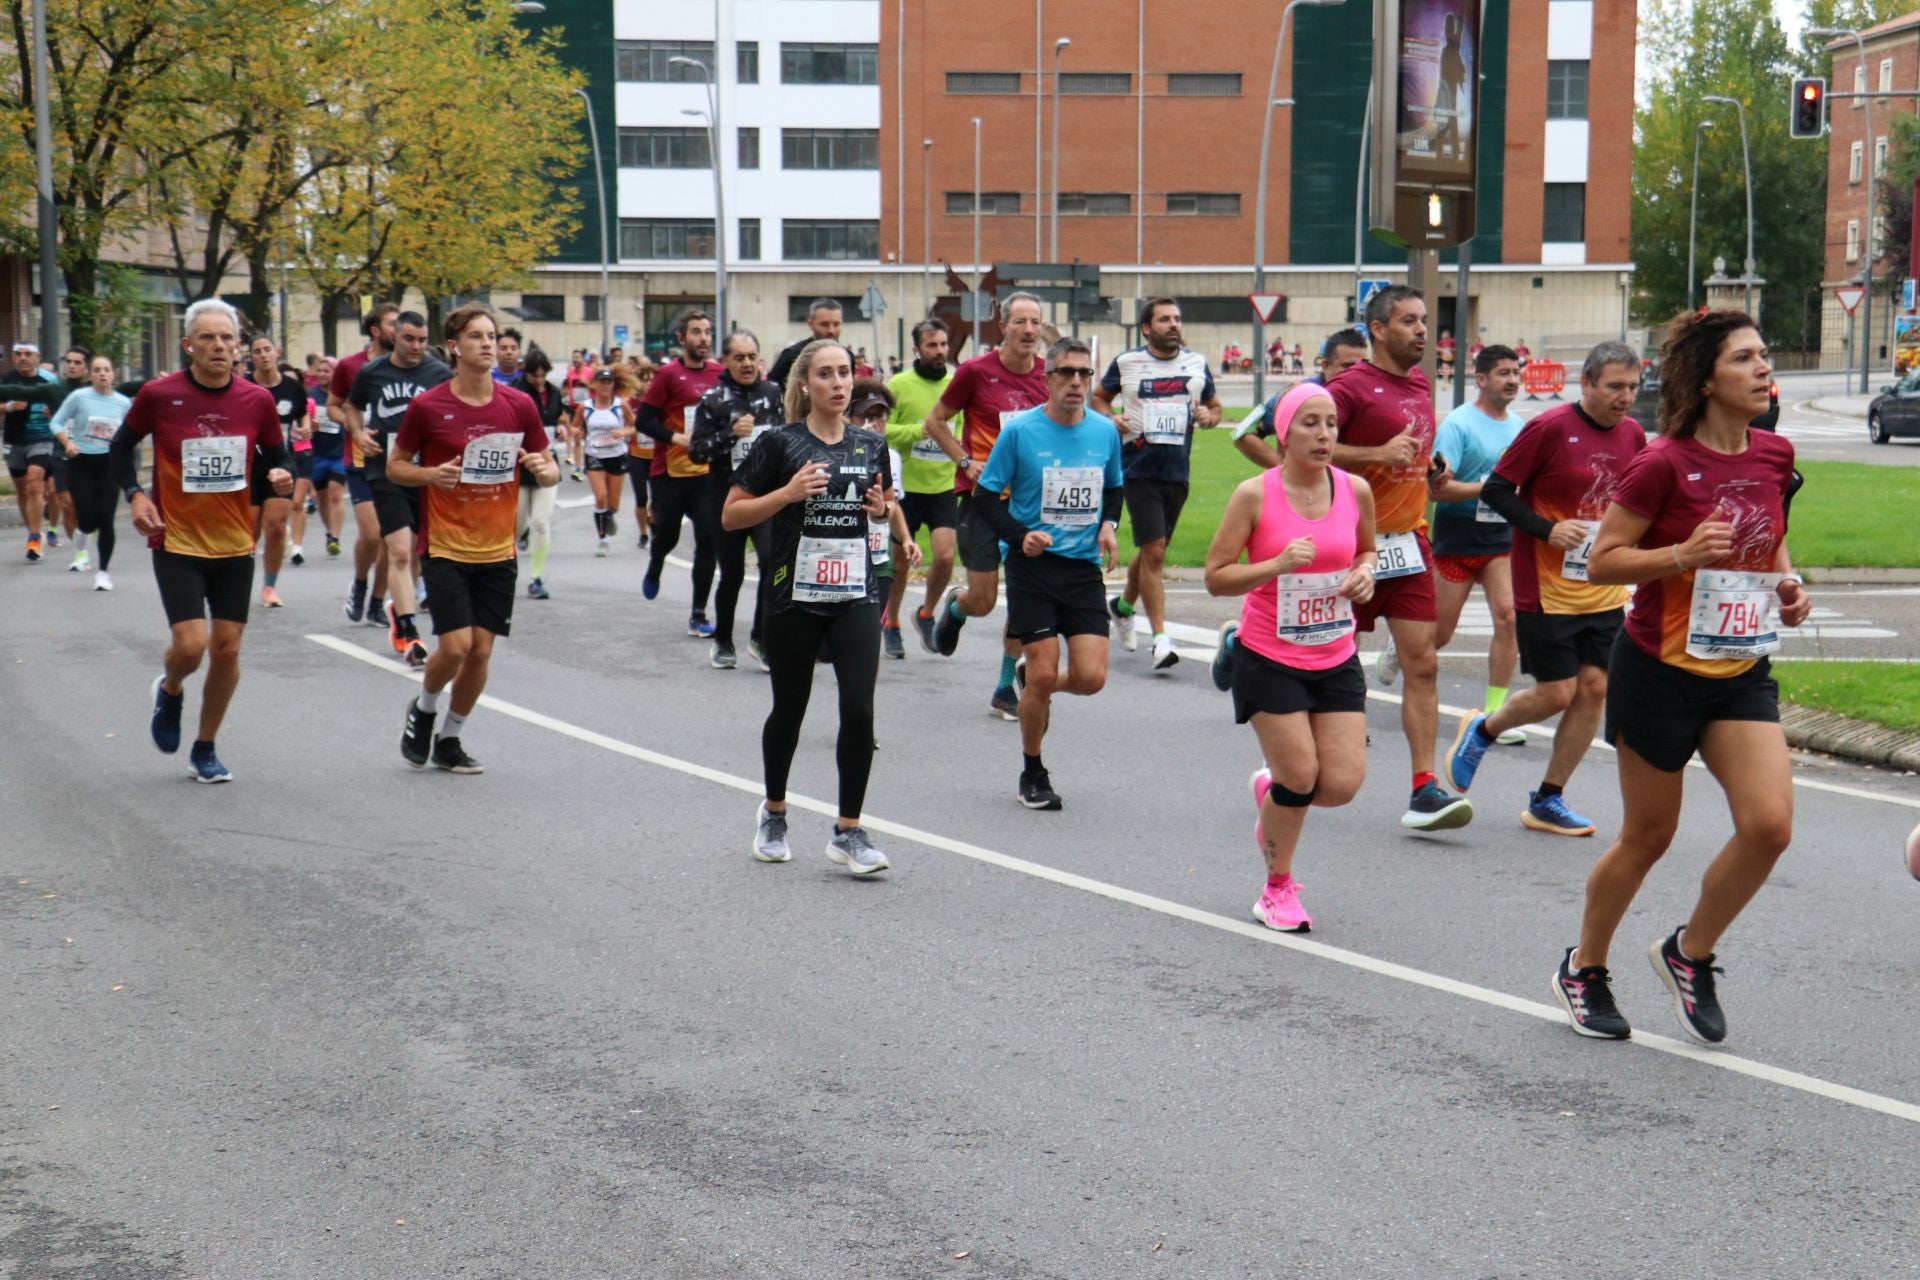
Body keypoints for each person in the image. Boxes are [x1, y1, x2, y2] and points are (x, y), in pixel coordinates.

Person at [1550, 310, 1807, 1044]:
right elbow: (1604, 560)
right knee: (1649, 836)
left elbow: (1771, 541)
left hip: (1739, 668)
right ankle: (1585, 967)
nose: (1763, 368)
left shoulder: (1775, 453)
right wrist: (1681, 555)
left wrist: (1788, 589)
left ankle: (1689, 952)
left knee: (1769, 826)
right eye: (1745, 358)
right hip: (1658, 670)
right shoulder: (1661, 463)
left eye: (1764, 355)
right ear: (1705, 379)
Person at [1444, 341, 1650, 836]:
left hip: (1603, 585)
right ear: (1587, 385)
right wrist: (1546, 530)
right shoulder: (1549, 428)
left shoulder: (1635, 435)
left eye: (1632, 387)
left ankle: (1548, 799)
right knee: (1558, 692)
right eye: (1614, 387)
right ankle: (1483, 728)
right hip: (1546, 585)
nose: (1625, 397)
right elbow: (1497, 490)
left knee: (1595, 687)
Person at [1205, 383, 1378, 931]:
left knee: (1341, 785)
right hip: (1267, 654)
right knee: (1300, 779)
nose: (1324, 434)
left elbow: (1369, 548)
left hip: (1335, 651)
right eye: (1309, 423)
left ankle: (1272, 790)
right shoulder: (1254, 495)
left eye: (1330, 423)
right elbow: (1215, 576)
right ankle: (1276, 889)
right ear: (1283, 433)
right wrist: (1276, 566)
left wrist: (1366, 573)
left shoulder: (1355, 489)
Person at [724, 338, 894, 875]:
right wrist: (787, 495)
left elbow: (883, 510)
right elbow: (732, 516)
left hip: (856, 592)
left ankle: (849, 830)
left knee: (860, 711)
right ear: (805, 384)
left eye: (845, 373)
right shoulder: (780, 444)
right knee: (790, 709)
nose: (839, 383)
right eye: (826, 374)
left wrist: (881, 511)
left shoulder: (871, 445)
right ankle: (773, 812)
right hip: (793, 592)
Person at [111, 299, 292, 782]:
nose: (218, 346)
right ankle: (170, 688)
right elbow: (119, 448)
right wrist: (134, 496)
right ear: (188, 345)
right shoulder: (158, 395)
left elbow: (282, 457)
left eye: (226, 338)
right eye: (207, 338)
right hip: (178, 540)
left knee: (228, 649)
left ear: (238, 347)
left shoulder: (257, 400)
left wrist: (281, 474)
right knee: (191, 646)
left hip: (235, 544)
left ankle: (206, 747)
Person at [1328, 285, 1472, 831]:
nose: (1422, 331)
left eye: (1424, 320)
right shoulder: (1348, 387)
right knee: (1328, 663)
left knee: (1425, 663)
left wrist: (1430, 469)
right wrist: (1375, 454)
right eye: (1409, 321)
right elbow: (1301, 447)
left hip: (1409, 543)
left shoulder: (1418, 384)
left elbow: (1407, 453)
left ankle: (1423, 789)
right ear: (1378, 329)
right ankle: (1246, 652)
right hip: (1349, 546)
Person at [394, 303, 557, 775]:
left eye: (492, 336)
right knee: (458, 646)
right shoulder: (428, 406)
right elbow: (395, 466)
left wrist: (541, 469)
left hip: (498, 546)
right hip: (445, 544)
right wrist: (431, 475)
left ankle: (450, 737)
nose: (488, 344)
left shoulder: (519, 405)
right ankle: (424, 709)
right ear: (454, 346)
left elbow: (548, 471)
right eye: (477, 337)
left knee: (482, 650)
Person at [963, 337, 1124, 809]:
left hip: (1082, 570)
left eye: (1084, 374)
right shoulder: (1020, 432)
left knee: (1092, 677)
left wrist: (1109, 526)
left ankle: (1033, 679)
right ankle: (1033, 770)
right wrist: (1020, 535)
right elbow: (985, 497)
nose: (1076, 382)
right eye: (1066, 373)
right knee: (1043, 670)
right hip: (1031, 567)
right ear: (1047, 379)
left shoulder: (1104, 432)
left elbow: (1114, 489)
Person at [925, 292, 1049, 720]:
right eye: (1021, 322)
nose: (1029, 330)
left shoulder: (1049, 375)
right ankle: (957, 607)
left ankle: (1002, 687)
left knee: (1023, 598)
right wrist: (965, 461)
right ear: (1003, 326)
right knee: (983, 599)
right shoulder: (976, 372)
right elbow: (934, 422)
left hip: (1029, 503)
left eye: (1035, 322)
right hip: (981, 499)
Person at [1093, 297, 1224, 671]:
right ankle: (1162, 639)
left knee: (1155, 549)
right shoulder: (1127, 363)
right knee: (1153, 552)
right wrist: (1111, 418)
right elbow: (1100, 398)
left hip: (1177, 471)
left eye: (1177, 319)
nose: (1173, 325)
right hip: (1137, 468)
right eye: (1164, 319)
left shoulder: (1196, 365)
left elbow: (1214, 408)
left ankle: (1121, 607)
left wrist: (1208, 416)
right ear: (1147, 328)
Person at [1425, 344, 1526, 747]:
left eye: (1516, 373)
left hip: (1500, 539)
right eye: (1503, 373)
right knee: (1440, 634)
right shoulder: (1457, 425)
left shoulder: (1520, 426)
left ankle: (1495, 715)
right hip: (1458, 537)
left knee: (1509, 617)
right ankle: (1405, 652)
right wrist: (1488, 489)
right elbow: (1437, 490)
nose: (1513, 380)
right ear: (1481, 379)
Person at [348, 311, 452, 666]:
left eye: (422, 340)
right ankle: (409, 632)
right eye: (409, 339)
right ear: (394, 336)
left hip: (426, 473)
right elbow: (351, 407)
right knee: (400, 551)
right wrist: (359, 434)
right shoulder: (372, 373)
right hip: (386, 471)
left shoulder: (439, 373)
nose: (416, 347)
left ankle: (398, 605)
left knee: (421, 553)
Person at [688, 329, 783, 669]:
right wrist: (730, 434)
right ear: (725, 360)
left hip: (765, 497)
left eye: (751, 356)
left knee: (773, 564)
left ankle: (761, 637)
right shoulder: (713, 399)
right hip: (726, 498)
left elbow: (784, 439)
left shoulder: (773, 393)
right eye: (739, 357)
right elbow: (697, 452)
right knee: (732, 574)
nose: (747, 363)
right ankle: (723, 639)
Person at [636, 310, 724, 636]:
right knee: (668, 535)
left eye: (706, 331)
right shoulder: (668, 375)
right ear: (681, 339)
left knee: (708, 540)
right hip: (670, 473)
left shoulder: (719, 373)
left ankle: (698, 614)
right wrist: (676, 437)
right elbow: (643, 421)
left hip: (705, 473)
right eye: (696, 332)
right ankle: (656, 561)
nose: (703, 338)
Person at [881, 319, 958, 655]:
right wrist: (921, 431)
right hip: (906, 489)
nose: (940, 351)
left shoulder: (957, 382)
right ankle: (891, 621)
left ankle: (926, 613)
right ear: (916, 349)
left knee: (945, 556)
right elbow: (882, 431)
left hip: (943, 484)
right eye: (932, 345)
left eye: (943, 344)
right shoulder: (899, 383)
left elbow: (963, 428)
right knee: (899, 562)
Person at [330, 303, 399, 627]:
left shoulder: (404, 367)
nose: (398, 331)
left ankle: (376, 602)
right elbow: (333, 406)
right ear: (375, 330)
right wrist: (355, 428)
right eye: (392, 324)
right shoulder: (349, 366)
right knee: (372, 534)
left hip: (394, 460)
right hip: (359, 458)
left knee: (391, 538)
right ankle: (359, 585)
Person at [46, 354, 132, 591]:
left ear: (114, 374)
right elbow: (56, 423)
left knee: (106, 519)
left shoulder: (123, 403)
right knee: (87, 519)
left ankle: (103, 573)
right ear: (90, 374)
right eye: (97, 370)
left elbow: (130, 433)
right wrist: (68, 443)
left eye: (106, 369)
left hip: (108, 465)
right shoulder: (79, 397)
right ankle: (83, 535)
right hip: (81, 462)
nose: (102, 374)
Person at [849, 379, 919, 663]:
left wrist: (906, 539)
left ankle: (863, 699)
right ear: (850, 416)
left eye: (880, 417)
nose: (874, 424)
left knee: (867, 640)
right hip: (844, 560)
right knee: (834, 645)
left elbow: (893, 505)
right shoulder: (832, 450)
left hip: (879, 559)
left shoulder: (890, 456)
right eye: (867, 417)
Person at [1233, 328, 1368, 471]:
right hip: (1313, 490)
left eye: (1362, 367)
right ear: (1325, 366)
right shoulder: (1297, 394)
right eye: (1348, 367)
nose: (1357, 374)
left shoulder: (1373, 393)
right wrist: (1286, 470)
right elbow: (1241, 435)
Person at [246, 336, 308, 607]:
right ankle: (236, 582)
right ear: (251, 357)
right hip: (248, 465)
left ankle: (269, 587)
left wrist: (305, 428)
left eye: (267, 350)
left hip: (281, 464)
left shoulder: (293, 387)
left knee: (276, 527)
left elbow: (302, 415)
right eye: (257, 352)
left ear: (276, 352)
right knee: (249, 530)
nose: (263, 355)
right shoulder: (243, 386)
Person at [510, 348, 568, 599]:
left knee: (541, 523)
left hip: (546, 464)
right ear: (527, 373)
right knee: (516, 524)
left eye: (543, 376)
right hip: (520, 466)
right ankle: (508, 564)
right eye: (534, 376)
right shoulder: (516, 392)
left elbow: (557, 418)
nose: (539, 381)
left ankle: (536, 578)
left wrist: (562, 429)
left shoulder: (554, 394)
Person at [3, 341, 62, 560]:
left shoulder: (50, 381)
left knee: (34, 483)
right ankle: (32, 532)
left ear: (37, 357)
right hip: (14, 439)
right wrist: (7, 407)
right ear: (13, 356)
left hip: (42, 438)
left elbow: (65, 404)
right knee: (22, 491)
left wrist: (53, 410)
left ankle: (35, 537)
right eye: (18, 354)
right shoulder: (6, 380)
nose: (23, 358)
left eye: (28, 354)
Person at [576, 364, 639, 556]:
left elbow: (634, 426)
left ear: (613, 385)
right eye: (602, 382)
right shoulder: (585, 407)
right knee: (601, 497)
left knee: (613, 505)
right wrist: (575, 432)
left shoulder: (621, 406)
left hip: (617, 455)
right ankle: (602, 539)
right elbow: (574, 427)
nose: (605, 386)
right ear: (595, 385)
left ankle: (609, 515)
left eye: (608, 382)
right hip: (594, 455)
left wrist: (624, 432)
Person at [768, 298, 845, 389]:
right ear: (811, 324)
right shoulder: (792, 355)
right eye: (824, 324)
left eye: (836, 324)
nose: (831, 330)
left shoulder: (847, 355)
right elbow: (772, 389)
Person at [626, 356, 656, 547]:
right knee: (641, 498)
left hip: (657, 457)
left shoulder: (661, 403)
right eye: (645, 379)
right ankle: (643, 534)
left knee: (658, 498)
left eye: (651, 379)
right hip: (636, 456)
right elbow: (625, 425)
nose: (648, 383)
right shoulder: (631, 403)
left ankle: (653, 523)